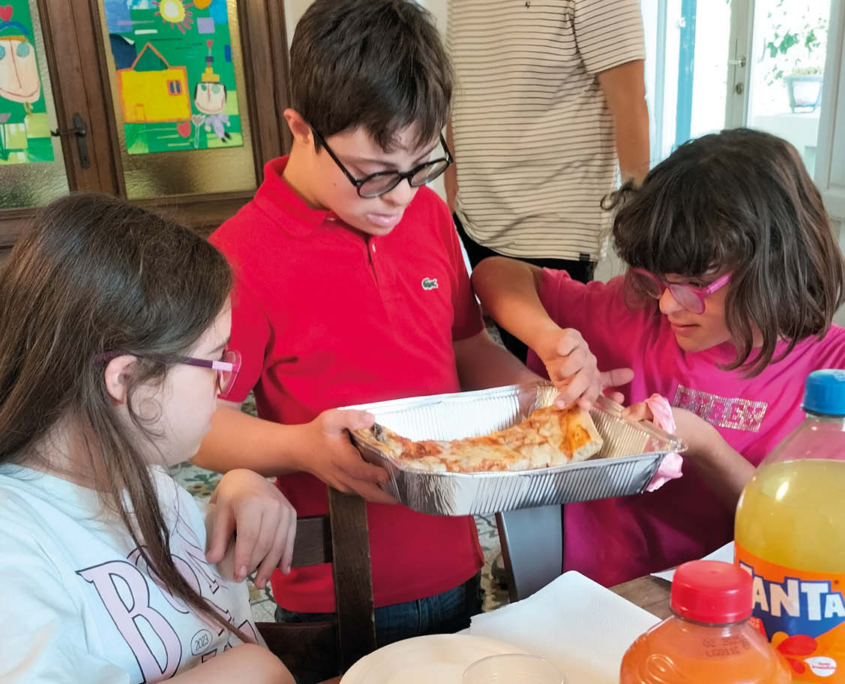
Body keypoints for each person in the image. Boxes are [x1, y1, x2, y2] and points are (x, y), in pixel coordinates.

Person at [196, 0, 612, 666]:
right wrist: (301, 447)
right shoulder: (242, 257)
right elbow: (194, 423)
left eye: (421, 165)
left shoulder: (422, 215)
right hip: (335, 590)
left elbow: (463, 347)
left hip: (452, 564)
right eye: (374, 172)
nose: (398, 195)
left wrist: (543, 393)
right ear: (301, 128)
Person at [471, 129, 845, 587]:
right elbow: (496, 275)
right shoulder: (635, 311)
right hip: (605, 598)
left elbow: (806, 533)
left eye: (692, 286)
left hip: (752, 614)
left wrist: (701, 444)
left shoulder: (831, 373)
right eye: (657, 282)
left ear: (770, 269)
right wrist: (553, 340)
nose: (668, 305)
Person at [0, 194, 296, 683]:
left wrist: (241, 488)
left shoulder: (143, 481)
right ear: (125, 380)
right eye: (215, 360)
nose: (226, 386)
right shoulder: (16, 546)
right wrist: (250, 670)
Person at [445, 0, 650, 360]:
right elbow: (459, 91)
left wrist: (643, 240)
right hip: (475, 220)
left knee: (557, 374)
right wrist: (454, 194)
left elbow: (629, 103)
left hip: (554, 231)